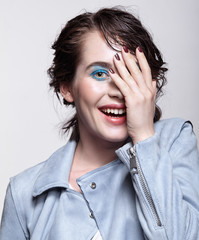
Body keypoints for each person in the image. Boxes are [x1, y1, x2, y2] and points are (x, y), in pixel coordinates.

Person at [0, 6, 199, 240]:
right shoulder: (24, 192)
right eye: (100, 74)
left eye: (130, 72)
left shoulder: (174, 141)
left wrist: (144, 136)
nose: (118, 90)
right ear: (67, 87)